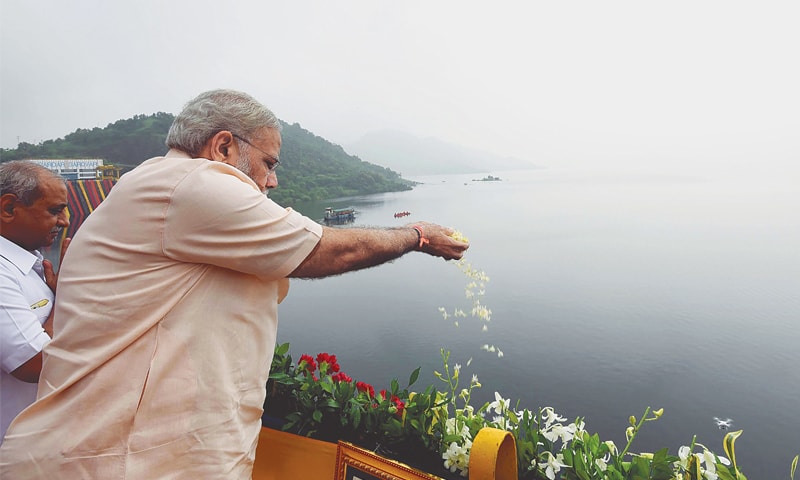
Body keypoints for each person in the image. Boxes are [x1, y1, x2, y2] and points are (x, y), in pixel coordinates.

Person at [0, 89, 468, 478]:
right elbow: (326, 249)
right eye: (268, 162)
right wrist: (417, 235)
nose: (274, 179)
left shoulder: (161, 186)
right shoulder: (190, 183)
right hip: (120, 458)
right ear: (222, 147)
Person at [0, 160, 70, 445]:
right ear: (8, 209)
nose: (65, 221)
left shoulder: (31, 264)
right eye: (54, 210)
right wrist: (67, 295)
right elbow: (34, 364)